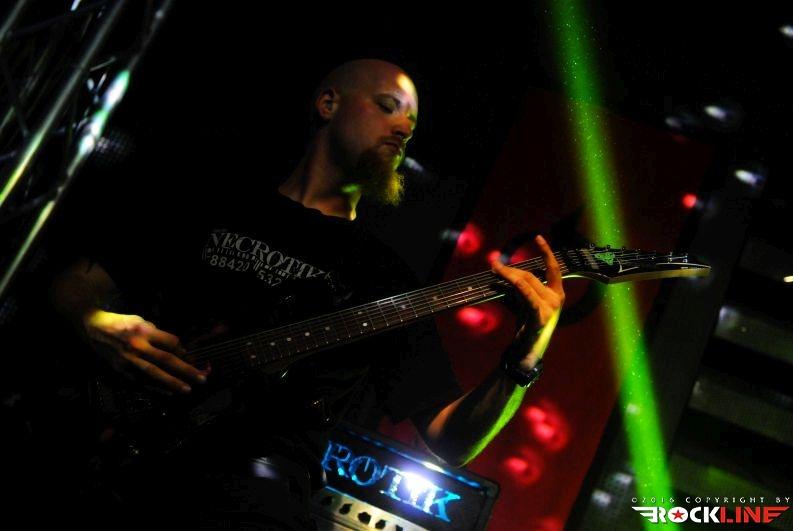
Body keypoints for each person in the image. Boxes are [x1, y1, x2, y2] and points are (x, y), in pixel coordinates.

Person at [52, 59, 565, 529]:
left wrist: (526, 354)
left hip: (254, 502)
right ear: (328, 103)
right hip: (113, 463)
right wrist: (99, 325)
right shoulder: (213, 200)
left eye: (411, 125)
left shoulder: (385, 278)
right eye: (388, 106)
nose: (404, 129)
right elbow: (71, 286)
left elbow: (451, 442)